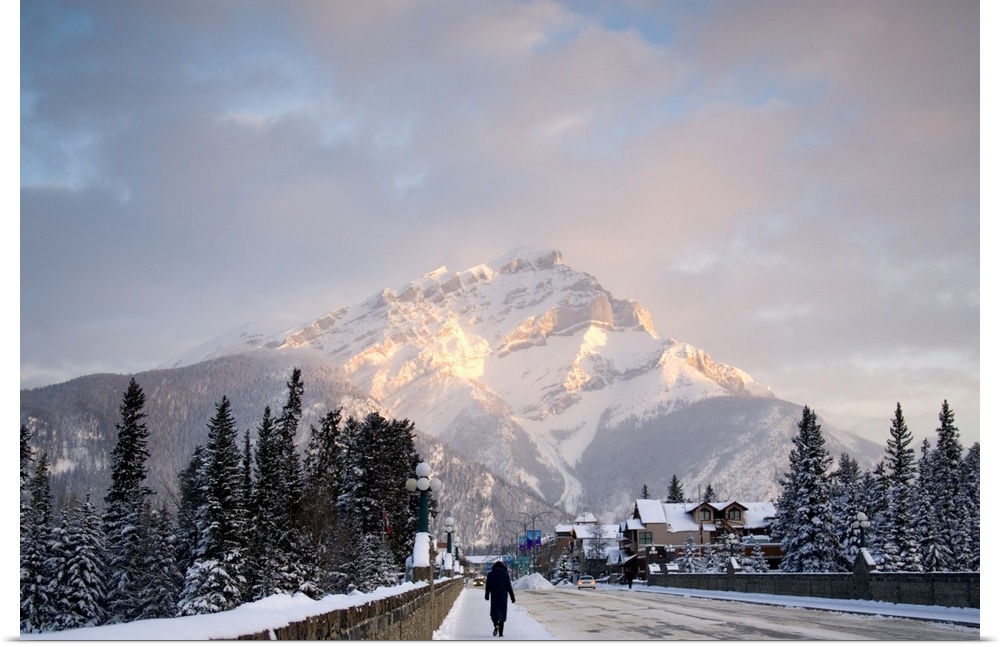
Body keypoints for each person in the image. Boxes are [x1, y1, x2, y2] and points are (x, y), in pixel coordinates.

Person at [484, 560, 515, 637]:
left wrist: (487, 595)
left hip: (494, 596)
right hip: (503, 596)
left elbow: (488, 586)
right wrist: (512, 597)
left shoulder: (490, 575)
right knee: (502, 613)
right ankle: (501, 633)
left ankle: (496, 625)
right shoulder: (505, 574)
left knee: (494, 613)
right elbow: (509, 586)